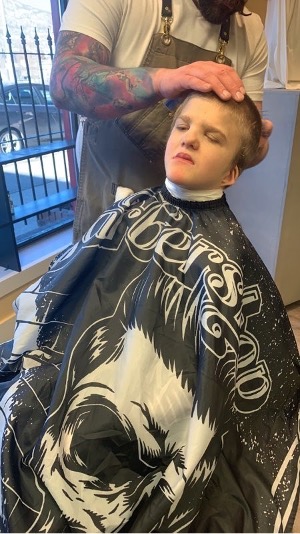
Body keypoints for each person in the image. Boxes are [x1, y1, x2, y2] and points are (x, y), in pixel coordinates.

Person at [0, 91, 298, 533]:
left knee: (102, 449)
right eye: (182, 126)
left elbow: (212, 377)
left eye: (211, 136)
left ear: (233, 171)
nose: (190, 139)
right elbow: (64, 288)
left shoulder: (225, 261)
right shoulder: (129, 209)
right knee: (21, 410)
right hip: (93, 369)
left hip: (160, 410)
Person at [49, 0, 273, 242]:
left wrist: (255, 146)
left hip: (188, 221)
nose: (188, 140)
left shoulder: (250, 29)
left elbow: (245, 145)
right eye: (183, 126)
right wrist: (162, 81)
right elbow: (64, 82)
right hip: (111, 201)